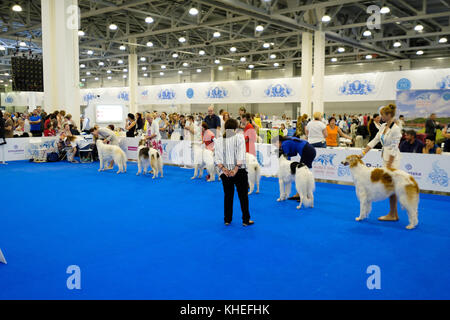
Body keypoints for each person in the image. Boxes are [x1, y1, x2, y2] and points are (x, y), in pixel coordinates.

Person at [360, 104, 402, 222]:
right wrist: (363, 153)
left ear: (388, 115)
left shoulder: (396, 129)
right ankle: (393, 213)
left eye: (382, 114)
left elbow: (394, 147)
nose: (380, 116)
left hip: (392, 160)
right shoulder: (383, 126)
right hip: (385, 157)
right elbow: (375, 140)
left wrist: (389, 165)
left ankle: (393, 214)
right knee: (390, 186)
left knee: (392, 186)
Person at [214, 119, 254, 227]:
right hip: (239, 171)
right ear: (235, 128)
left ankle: (227, 219)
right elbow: (241, 154)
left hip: (225, 173)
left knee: (228, 196)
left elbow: (217, 158)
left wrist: (224, 169)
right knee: (243, 197)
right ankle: (246, 220)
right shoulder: (239, 137)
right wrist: (235, 169)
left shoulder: (218, 140)